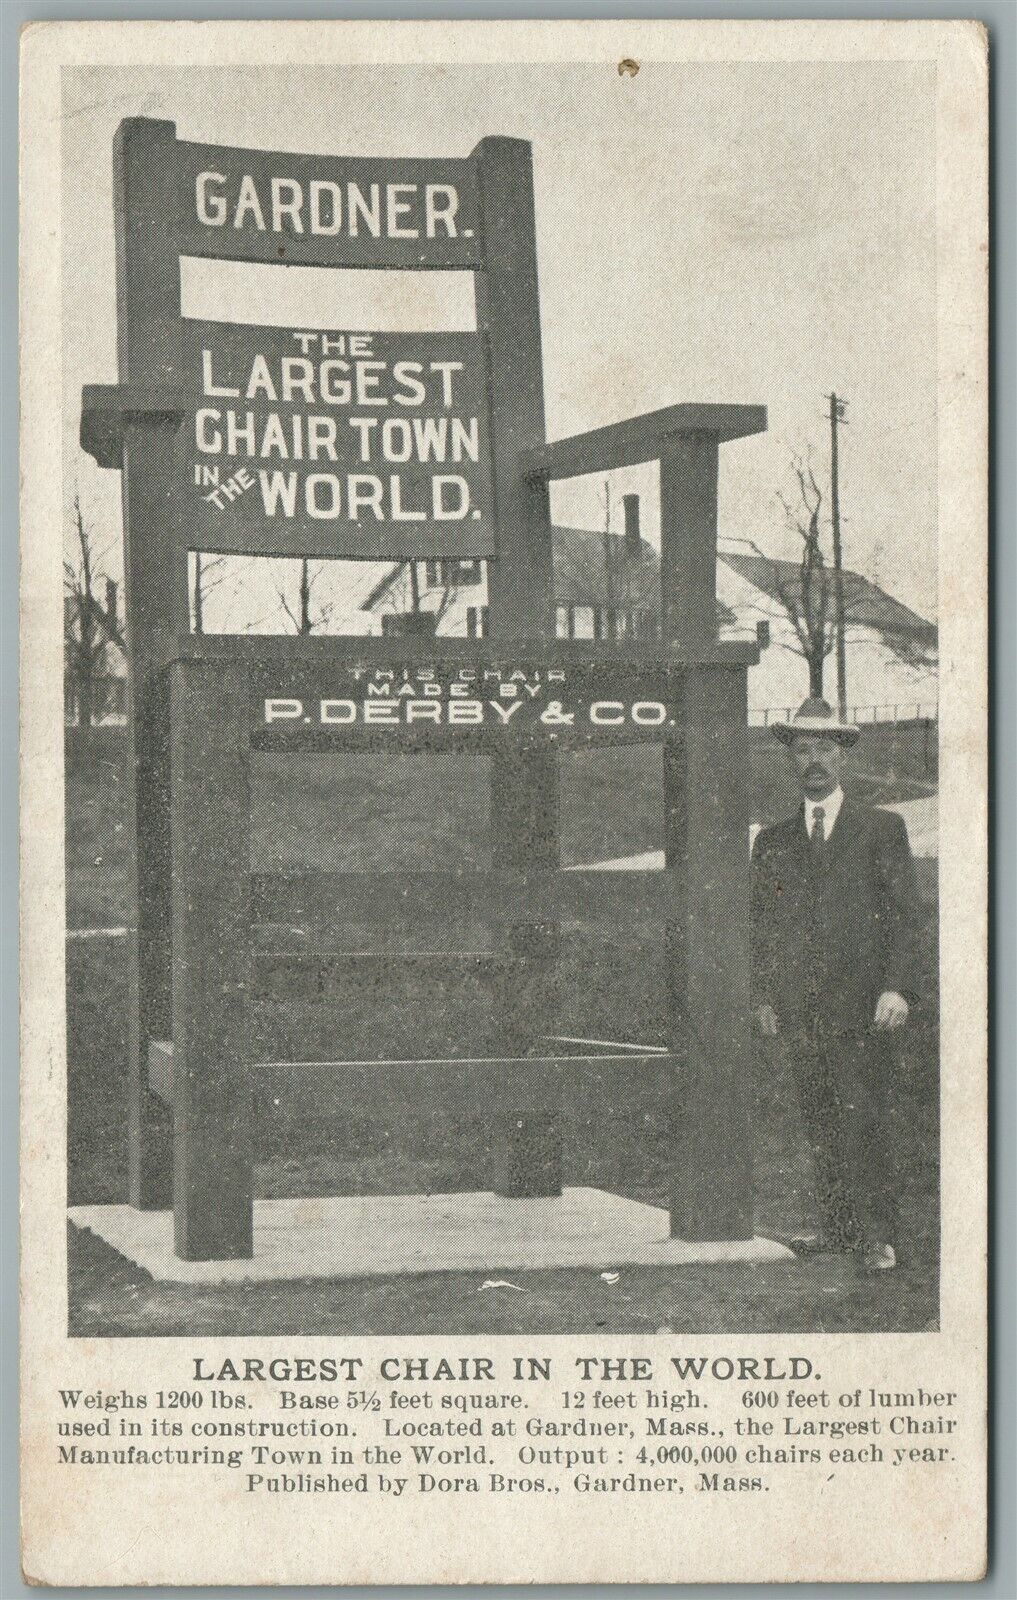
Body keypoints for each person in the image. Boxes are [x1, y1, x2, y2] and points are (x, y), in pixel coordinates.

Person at [751, 697, 920, 1272]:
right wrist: (765, 996)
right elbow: (763, 926)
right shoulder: (772, 841)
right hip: (802, 1009)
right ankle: (837, 1229)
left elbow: (904, 916)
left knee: (864, 1116)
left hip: (865, 1005)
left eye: (824, 748)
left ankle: (876, 1236)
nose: (813, 760)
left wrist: (896, 987)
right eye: (802, 750)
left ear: (843, 756)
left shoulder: (881, 828)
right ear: (790, 760)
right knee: (819, 1115)